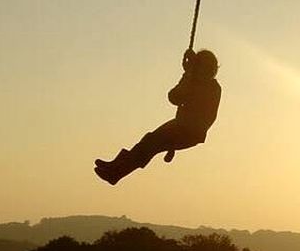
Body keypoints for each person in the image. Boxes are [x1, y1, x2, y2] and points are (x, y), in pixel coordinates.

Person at [95, 49, 221, 184]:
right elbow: (174, 98)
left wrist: (189, 74)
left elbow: (194, 99)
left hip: (190, 130)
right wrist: (188, 75)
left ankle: (116, 171)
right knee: (149, 142)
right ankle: (116, 168)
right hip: (181, 126)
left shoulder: (212, 87)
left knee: (151, 143)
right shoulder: (192, 81)